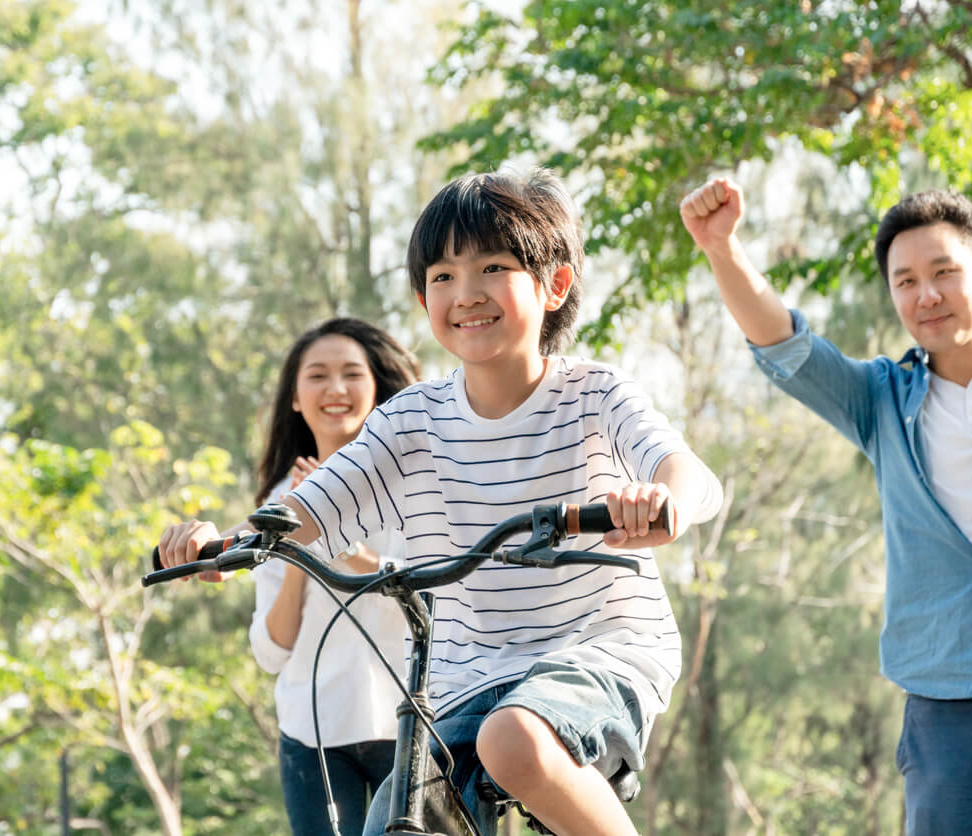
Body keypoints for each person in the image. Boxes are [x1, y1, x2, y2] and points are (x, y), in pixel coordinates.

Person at [160, 168, 722, 836]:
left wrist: (663, 502)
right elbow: (315, 505)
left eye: (491, 267)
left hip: (596, 649)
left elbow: (691, 475)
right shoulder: (412, 419)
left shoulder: (594, 395)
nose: (466, 293)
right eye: (443, 276)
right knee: (393, 822)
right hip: (462, 678)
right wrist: (226, 546)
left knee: (513, 740)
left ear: (554, 285)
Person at [680, 177, 972, 835]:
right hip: (947, 697)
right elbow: (788, 348)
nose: (926, 294)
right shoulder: (881, 402)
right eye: (905, 281)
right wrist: (722, 249)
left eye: (944, 272)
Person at [249, 317, 420, 836]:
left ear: (376, 388)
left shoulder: (413, 486)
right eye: (318, 376)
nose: (336, 389)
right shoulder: (277, 503)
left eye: (351, 374)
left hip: (411, 725)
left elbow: (437, 593)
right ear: (296, 398)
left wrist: (350, 549)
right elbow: (272, 652)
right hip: (313, 733)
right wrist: (299, 545)